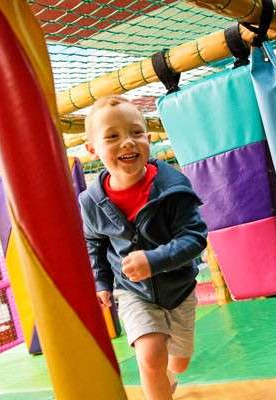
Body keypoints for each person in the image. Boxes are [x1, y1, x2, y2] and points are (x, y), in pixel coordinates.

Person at [79, 95, 207, 399]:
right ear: (92, 149)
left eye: (136, 133)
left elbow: (195, 237)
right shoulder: (91, 201)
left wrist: (154, 260)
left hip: (178, 288)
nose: (127, 143)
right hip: (133, 291)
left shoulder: (172, 187)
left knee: (179, 361)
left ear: (148, 139)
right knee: (150, 355)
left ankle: (168, 379)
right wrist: (101, 282)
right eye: (112, 136)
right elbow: (94, 242)